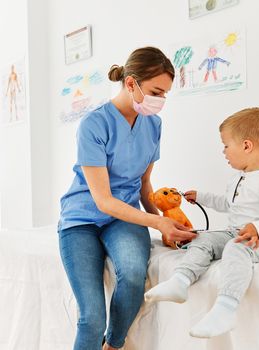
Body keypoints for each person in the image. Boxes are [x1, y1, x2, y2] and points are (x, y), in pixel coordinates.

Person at [58, 47, 196, 350]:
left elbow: (145, 183)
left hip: (124, 218)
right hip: (82, 219)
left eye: (165, 94)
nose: (161, 100)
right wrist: (157, 222)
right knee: (92, 317)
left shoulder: (154, 125)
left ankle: (114, 344)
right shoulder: (94, 124)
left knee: (133, 276)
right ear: (131, 83)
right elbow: (104, 201)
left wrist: (170, 223)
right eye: (156, 91)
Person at [144, 107, 259, 338]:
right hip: (236, 231)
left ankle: (226, 309)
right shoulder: (241, 176)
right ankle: (181, 280)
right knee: (205, 239)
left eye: (226, 145)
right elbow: (230, 204)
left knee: (236, 248)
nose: (223, 151)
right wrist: (202, 197)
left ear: (246, 146)